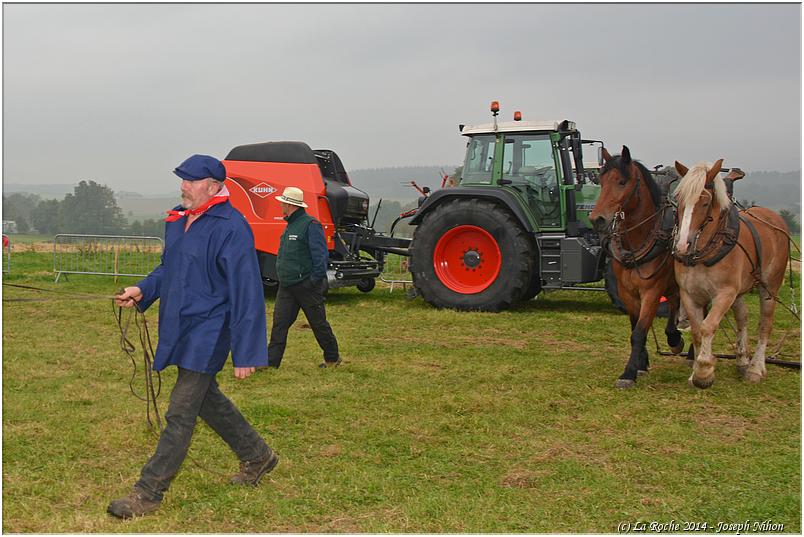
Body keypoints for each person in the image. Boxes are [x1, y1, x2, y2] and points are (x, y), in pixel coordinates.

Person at [107, 155, 277, 519]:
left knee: (180, 410)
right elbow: (170, 268)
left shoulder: (231, 227)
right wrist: (142, 289)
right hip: (179, 325)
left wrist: (247, 351)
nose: (183, 185)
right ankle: (258, 455)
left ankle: (148, 493)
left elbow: (246, 290)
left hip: (211, 331)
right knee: (205, 399)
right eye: (182, 179)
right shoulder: (179, 220)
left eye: (191, 180)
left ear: (213, 186)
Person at [267, 186, 340, 369]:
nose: (281, 205)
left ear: (290, 205)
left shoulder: (310, 225)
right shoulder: (291, 224)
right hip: (287, 286)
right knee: (279, 324)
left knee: (318, 324)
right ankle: (271, 363)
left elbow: (320, 256)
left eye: (283, 202)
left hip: (306, 286)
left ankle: (332, 358)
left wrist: (312, 281)